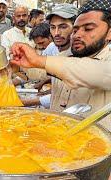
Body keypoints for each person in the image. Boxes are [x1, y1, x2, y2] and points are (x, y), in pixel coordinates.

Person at [10, 0, 111, 130]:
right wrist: (18, 66)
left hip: (92, 146)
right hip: (56, 136)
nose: (78, 35)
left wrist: (39, 60)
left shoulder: (106, 61)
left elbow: (86, 71)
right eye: (76, 29)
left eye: (88, 29)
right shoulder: (66, 56)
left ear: (109, 32)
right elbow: (42, 71)